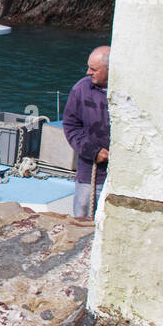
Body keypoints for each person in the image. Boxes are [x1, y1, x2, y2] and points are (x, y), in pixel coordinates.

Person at [63, 45, 110, 218]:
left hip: (117, 175)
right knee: (83, 215)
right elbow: (71, 126)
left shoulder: (128, 92)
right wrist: (92, 151)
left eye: (94, 69)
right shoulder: (81, 89)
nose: (88, 72)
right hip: (90, 172)